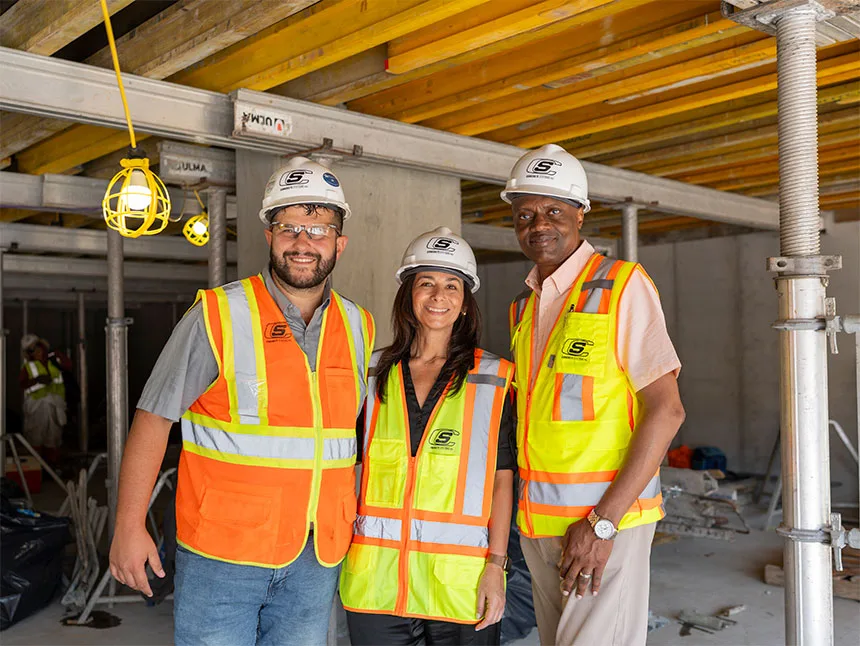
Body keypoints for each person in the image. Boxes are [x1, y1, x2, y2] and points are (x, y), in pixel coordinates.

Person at [109, 157, 375, 646]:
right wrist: (128, 525)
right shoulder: (217, 314)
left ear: (339, 243)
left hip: (316, 555)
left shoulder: (358, 325)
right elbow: (152, 420)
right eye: (289, 227)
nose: (303, 242)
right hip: (222, 555)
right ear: (270, 236)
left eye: (318, 230)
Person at [503, 144, 686, 646]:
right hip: (539, 525)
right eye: (525, 214)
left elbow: (666, 409)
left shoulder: (622, 285)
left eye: (554, 211)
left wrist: (603, 524)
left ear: (581, 214)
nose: (539, 224)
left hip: (603, 523)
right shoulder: (524, 308)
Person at [340, 227, 515, 646]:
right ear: (408, 295)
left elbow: (501, 478)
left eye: (452, 285)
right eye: (427, 283)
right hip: (374, 585)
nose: (439, 296)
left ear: (465, 302)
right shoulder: (370, 372)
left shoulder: (493, 377)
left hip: (459, 583)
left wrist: (496, 565)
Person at [19, 334, 67, 465]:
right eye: (31, 350)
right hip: (37, 406)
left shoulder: (54, 360)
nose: (36, 351)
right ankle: (36, 466)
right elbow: (22, 383)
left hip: (55, 405)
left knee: (54, 436)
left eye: (37, 347)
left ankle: (52, 465)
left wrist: (58, 355)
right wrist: (37, 380)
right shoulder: (28, 367)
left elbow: (67, 367)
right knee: (36, 436)